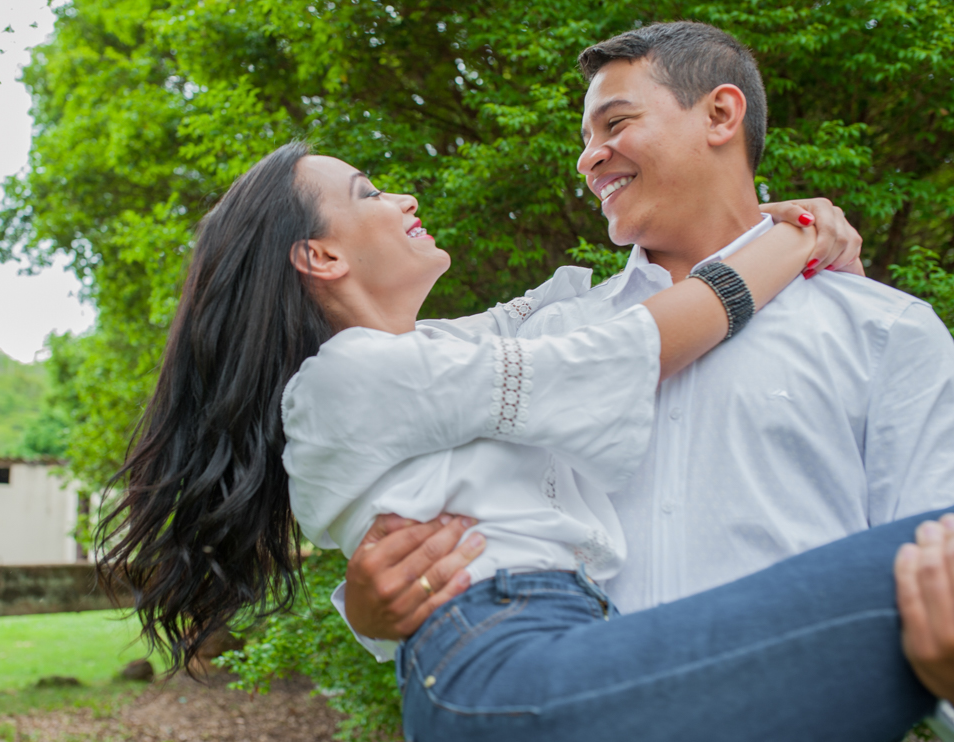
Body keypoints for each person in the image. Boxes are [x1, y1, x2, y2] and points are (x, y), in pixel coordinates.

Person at [97, 137, 954, 741]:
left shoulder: (436, 356)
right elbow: (631, 347)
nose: (402, 199)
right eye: (367, 193)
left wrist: (763, 221)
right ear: (320, 258)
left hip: (544, 650)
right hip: (509, 662)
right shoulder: (354, 376)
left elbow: (554, 320)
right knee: (935, 554)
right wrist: (794, 237)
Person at [338, 22, 954, 659]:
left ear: (721, 114)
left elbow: (936, 571)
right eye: (586, 140)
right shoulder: (545, 336)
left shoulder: (883, 331)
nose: (588, 159)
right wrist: (371, 605)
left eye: (615, 123)